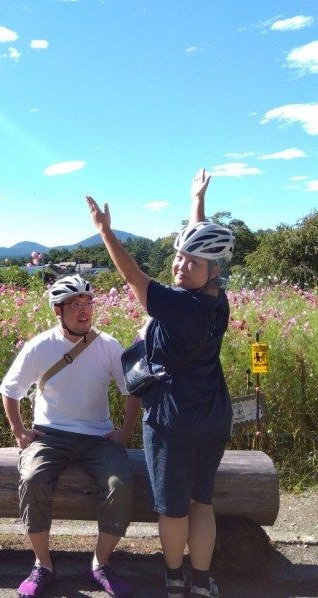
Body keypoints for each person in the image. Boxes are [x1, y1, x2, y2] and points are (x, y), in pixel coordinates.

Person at [86, 169, 235, 598]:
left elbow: (134, 278)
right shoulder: (216, 299)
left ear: (212, 269)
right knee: (200, 502)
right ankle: (203, 578)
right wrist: (196, 203)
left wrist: (105, 232)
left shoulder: (179, 307)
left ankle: (174, 576)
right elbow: (198, 246)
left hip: (174, 420)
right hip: (212, 413)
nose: (181, 265)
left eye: (192, 262)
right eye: (180, 258)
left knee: (172, 508)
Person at [0, 274, 142, 598]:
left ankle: (100, 564)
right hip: (50, 435)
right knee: (33, 479)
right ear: (57, 311)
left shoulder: (107, 345)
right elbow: (10, 389)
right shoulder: (41, 346)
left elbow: (132, 389)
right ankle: (42, 565)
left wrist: (125, 432)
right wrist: (19, 431)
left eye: (88, 303)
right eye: (74, 305)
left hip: (97, 437)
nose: (84, 311)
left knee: (120, 486)